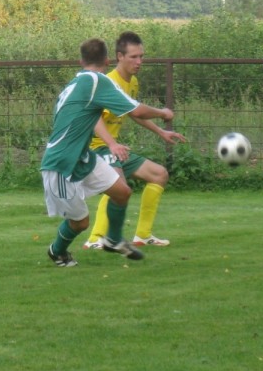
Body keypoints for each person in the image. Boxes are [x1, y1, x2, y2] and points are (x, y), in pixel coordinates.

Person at [41, 37, 175, 267]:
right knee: (80, 223)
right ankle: (57, 251)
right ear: (107, 60)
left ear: (80, 60)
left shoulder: (77, 83)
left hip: (83, 156)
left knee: (122, 192)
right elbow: (137, 110)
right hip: (61, 163)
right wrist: (163, 112)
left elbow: (90, 117)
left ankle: (112, 239)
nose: (139, 61)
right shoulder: (98, 81)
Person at [83, 31, 186, 250]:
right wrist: (161, 113)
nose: (139, 62)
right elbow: (92, 120)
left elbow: (133, 112)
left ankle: (143, 235)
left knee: (159, 174)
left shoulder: (132, 82)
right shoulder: (108, 82)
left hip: (112, 148)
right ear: (119, 56)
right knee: (118, 186)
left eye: (141, 56)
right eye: (133, 57)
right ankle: (95, 239)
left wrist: (161, 132)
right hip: (95, 147)